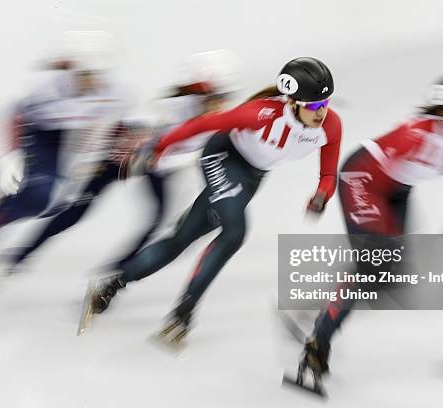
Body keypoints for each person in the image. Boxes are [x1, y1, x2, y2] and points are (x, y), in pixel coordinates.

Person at [81, 57, 343, 346]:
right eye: (314, 106)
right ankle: (182, 316)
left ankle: (111, 285)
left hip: (251, 178)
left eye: (325, 103)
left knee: (181, 239)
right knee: (235, 232)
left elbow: (328, 172)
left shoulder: (330, 125)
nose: (322, 112)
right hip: (222, 158)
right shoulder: (261, 114)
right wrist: (159, 145)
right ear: (292, 102)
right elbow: (205, 124)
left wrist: (322, 195)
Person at [290, 72, 443, 394]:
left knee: (390, 273)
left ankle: (322, 306)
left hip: (396, 190)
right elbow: (363, 162)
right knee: (373, 264)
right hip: (361, 179)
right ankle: (317, 345)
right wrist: (324, 192)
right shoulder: (415, 136)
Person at [0, 50, 244, 276]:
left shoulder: (218, 117)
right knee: (76, 211)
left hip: (157, 162)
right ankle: (20, 255)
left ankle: (114, 273)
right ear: (199, 91)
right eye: (216, 96)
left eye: (225, 97)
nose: (221, 104)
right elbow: (137, 139)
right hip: (126, 155)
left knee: (157, 219)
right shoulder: (170, 109)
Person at [0, 31, 125, 276]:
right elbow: (10, 119)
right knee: (40, 196)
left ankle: (0, 212)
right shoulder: (45, 88)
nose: (93, 82)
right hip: (36, 131)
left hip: (64, 136)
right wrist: (9, 157)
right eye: (86, 75)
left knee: (55, 205)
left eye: (99, 75)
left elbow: (96, 126)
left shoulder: (111, 92)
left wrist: (83, 158)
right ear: (72, 71)